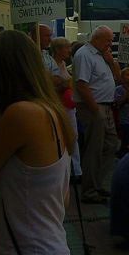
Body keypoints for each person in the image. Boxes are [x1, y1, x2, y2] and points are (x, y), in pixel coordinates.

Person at [0, 30, 74, 253]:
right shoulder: (50, 111)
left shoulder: (21, 114)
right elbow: (62, 199)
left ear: (5, 72)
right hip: (51, 244)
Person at [73, 25, 121, 204]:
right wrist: (95, 110)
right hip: (94, 107)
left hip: (106, 106)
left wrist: (111, 61)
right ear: (97, 38)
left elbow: (117, 78)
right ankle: (89, 191)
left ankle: (97, 183)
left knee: (111, 144)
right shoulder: (85, 55)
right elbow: (82, 85)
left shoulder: (102, 55)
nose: (110, 43)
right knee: (94, 149)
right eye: (108, 40)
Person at [51, 36, 82, 177]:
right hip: (60, 106)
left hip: (68, 106)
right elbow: (58, 84)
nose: (70, 50)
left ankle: (75, 169)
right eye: (67, 48)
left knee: (73, 136)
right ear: (58, 50)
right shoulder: (51, 64)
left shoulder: (62, 63)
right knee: (66, 136)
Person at [114, 67, 129, 158]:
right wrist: (127, 95)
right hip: (124, 119)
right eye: (127, 75)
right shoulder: (118, 89)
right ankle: (123, 153)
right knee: (125, 138)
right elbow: (118, 102)